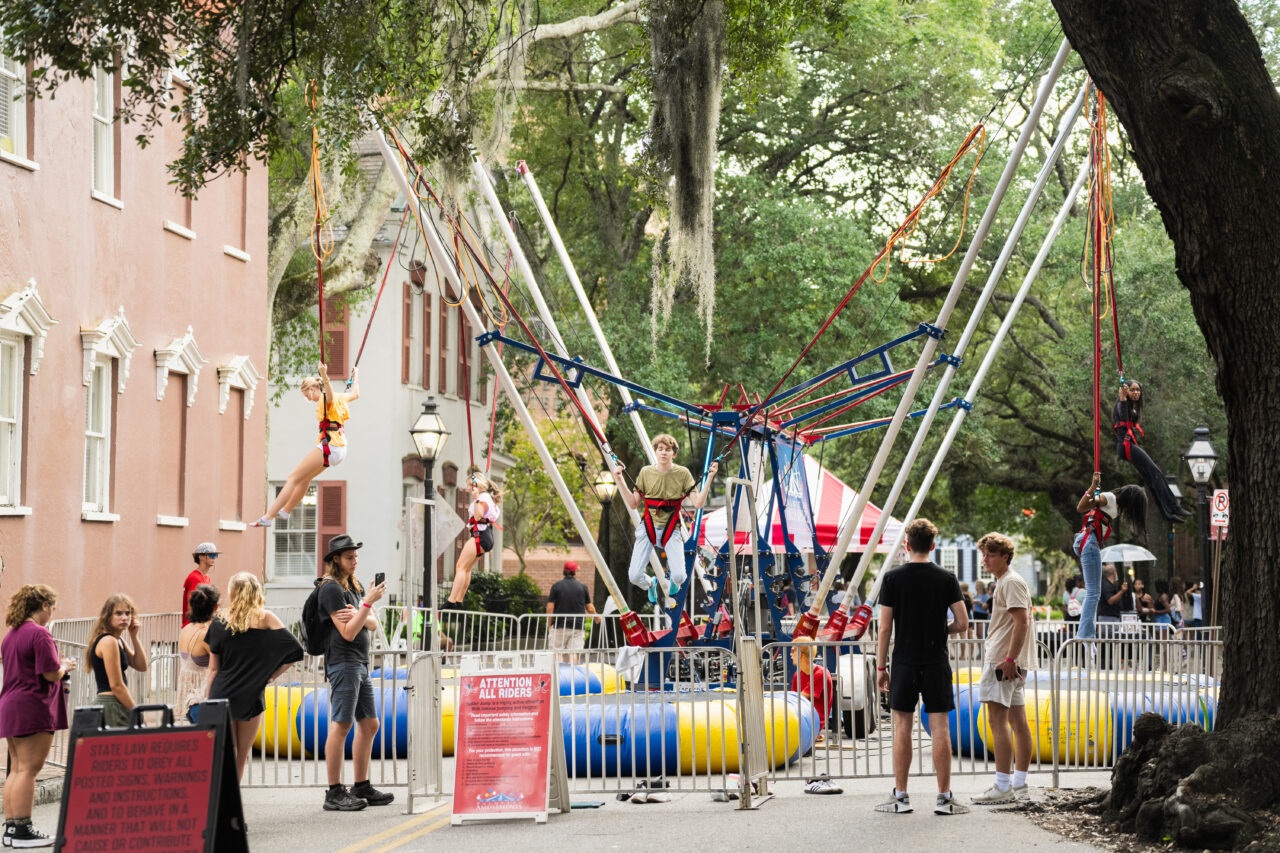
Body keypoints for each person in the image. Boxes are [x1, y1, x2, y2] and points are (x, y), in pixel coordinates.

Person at [874, 518, 970, 816]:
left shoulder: (892, 578)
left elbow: (885, 628)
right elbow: (963, 623)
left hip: (903, 660)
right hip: (935, 659)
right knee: (939, 726)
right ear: (933, 544)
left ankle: (901, 796)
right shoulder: (947, 578)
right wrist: (942, 630)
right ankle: (944, 797)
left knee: (902, 726)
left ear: (907, 544)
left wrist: (880, 667)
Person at [315, 533, 393, 811]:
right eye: (349, 557)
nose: (354, 561)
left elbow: (370, 625)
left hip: (359, 663)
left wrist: (363, 609)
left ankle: (361, 785)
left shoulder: (353, 586)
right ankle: (334, 792)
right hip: (344, 662)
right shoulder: (331, 589)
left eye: (356, 556)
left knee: (370, 724)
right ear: (336, 559)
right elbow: (348, 632)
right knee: (342, 724)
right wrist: (368, 604)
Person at [205, 573, 304, 779]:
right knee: (242, 754)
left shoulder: (220, 620)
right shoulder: (266, 618)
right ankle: (235, 799)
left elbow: (213, 668)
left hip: (222, 692)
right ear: (257, 592)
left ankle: (223, 799)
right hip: (251, 694)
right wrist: (270, 676)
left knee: (226, 753)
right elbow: (295, 651)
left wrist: (207, 698)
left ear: (232, 593)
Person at [0, 585, 76, 848]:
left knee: (17, 769)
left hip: (11, 704)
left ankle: (11, 828)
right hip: (33, 705)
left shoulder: (12, 634)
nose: (53, 612)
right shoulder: (40, 634)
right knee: (29, 771)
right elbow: (50, 673)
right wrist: (65, 665)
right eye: (52, 607)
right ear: (44, 605)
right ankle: (23, 831)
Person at [612, 433, 718, 606]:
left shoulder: (683, 474)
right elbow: (633, 503)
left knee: (679, 576)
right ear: (655, 452)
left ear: (673, 454)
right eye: (660, 449)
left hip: (671, 529)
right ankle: (652, 583)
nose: (663, 453)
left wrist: (710, 478)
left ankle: (673, 583)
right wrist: (619, 479)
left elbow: (698, 503)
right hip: (648, 527)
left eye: (667, 450)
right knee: (634, 576)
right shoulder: (646, 472)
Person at [252, 362, 358, 527]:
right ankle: (286, 511)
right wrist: (356, 375)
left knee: (293, 478)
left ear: (312, 389)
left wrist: (324, 375)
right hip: (340, 449)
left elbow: (328, 396)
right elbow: (355, 394)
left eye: (307, 395)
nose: (308, 398)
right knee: (305, 479)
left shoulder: (325, 398)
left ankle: (267, 517)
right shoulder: (340, 397)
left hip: (330, 446)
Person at [971, 534, 1034, 805]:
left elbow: (1022, 622)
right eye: (984, 555)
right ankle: (1017, 784)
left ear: (1005, 556)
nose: (985, 559)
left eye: (991, 554)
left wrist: (1009, 658)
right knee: (1017, 722)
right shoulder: (1006, 582)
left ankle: (1003, 785)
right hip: (1009, 660)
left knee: (998, 722)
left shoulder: (1010, 582)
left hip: (1003, 660)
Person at [1073, 472, 1148, 639]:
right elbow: (1081, 507)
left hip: (1085, 541)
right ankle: (1085, 635)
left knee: (1092, 592)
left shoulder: (1111, 503)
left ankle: (1086, 632)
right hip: (1089, 542)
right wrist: (1093, 487)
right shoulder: (1110, 498)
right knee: (1093, 593)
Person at [1113, 380, 1189, 523]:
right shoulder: (1120, 405)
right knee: (1156, 472)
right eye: (1132, 390)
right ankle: (1174, 506)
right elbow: (1123, 419)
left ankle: (1167, 514)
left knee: (1151, 478)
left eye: (1138, 390)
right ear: (1125, 391)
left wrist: (1125, 400)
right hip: (1125, 446)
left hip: (1129, 446)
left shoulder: (1131, 407)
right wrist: (1123, 399)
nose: (1136, 393)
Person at [86, 594, 149, 728]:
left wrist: (134, 636)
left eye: (128, 613)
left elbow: (141, 666)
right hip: (111, 704)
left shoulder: (118, 640)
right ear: (107, 616)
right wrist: (136, 711)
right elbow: (116, 685)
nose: (124, 617)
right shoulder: (109, 641)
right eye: (118, 613)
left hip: (115, 703)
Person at [443, 474, 502, 609]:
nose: (469, 488)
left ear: (478, 485)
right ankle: (458, 600)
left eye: (471, 485)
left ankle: (451, 601)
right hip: (484, 535)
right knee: (467, 568)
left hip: (480, 535)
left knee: (460, 566)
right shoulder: (487, 497)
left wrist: (476, 498)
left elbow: (478, 515)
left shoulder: (483, 498)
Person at [177, 584, 219, 724]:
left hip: (187, 702)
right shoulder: (205, 635)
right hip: (201, 700)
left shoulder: (186, 629)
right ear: (215, 608)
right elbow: (220, 664)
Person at [546, 561, 598, 661]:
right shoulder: (582, 587)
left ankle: (559, 675)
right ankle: (572, 675)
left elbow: (550, 608)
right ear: (575, 572)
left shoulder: (556, 586)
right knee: (573, 653)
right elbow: (590, 608)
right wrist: (597, 617)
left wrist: (549, 623)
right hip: (577, 626)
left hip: (559, 625)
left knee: (557, 652)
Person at [790, 640, 833, 741]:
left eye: (792, 651)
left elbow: (799, 698)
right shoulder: (797, 675)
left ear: (799, 654)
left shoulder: (821, 674)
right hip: (801, 718)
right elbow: (793, 700)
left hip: (814, 721)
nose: (790, 655)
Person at [182, 543, 218, 627]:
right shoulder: (194, 578)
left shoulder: (206, 578)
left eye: (215, 555)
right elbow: (191, 605)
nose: (214, 558)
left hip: (201, 625)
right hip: (193, 626)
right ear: (201, 557)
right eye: (211, 555)